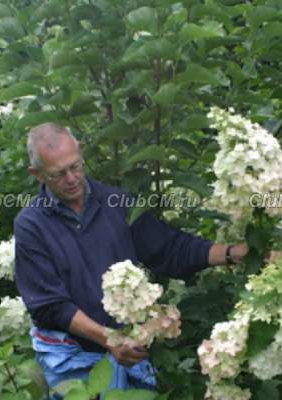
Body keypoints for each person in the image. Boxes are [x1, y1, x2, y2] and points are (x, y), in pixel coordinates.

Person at [14, 123, 248, 397]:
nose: (72, 178)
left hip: (128, 352)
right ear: (37, 174)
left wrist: (233, 253)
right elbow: (49, 305)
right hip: (72, 361)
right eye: (58, 174)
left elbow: (170, 249)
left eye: (75, 166)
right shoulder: (31, 225)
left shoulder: (116, 202)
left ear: (80, 152)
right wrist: (111, 339)